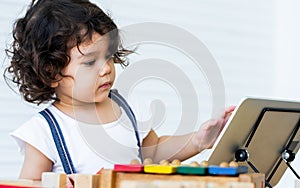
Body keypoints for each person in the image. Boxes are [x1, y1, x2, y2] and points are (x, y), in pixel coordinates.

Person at [4, 0, 235, 181]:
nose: (106, 69)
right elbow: (30, 182)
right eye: (90, 62)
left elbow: (152, 154)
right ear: (51, 72)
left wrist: (198, 141)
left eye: (109, 56)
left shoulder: (129, 108)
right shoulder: (43, 132)